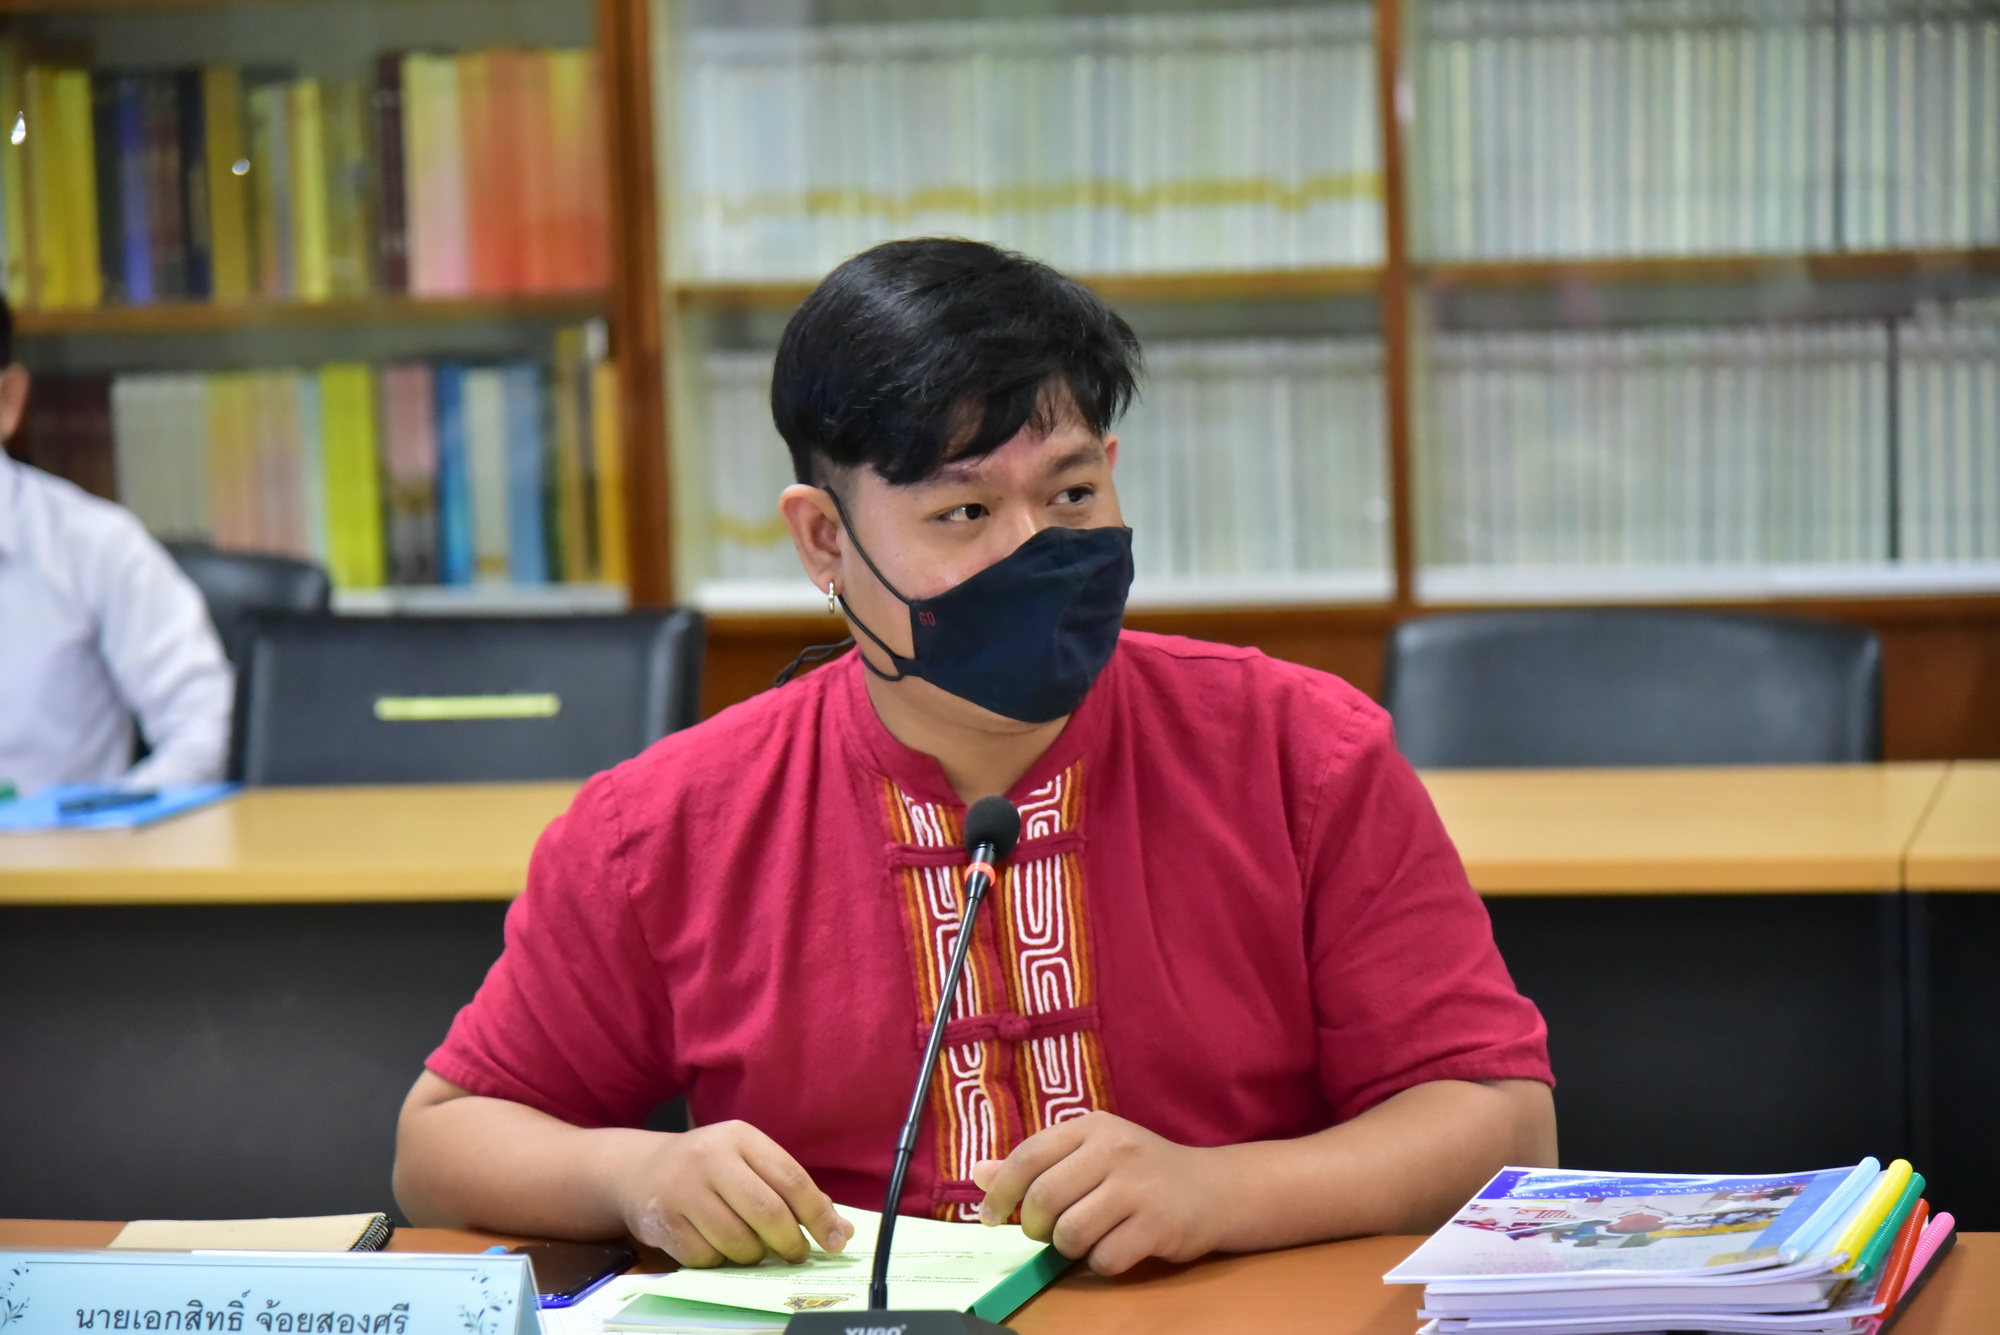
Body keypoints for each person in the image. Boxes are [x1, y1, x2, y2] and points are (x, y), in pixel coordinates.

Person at [395, 239, 1556, 1277]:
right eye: (964, 514)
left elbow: (1502, 1124)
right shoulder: (664, 825)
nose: (1034, 550)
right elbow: (440, 1145)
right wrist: (634, 1176)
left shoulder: (1299, 750)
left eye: (1071, 493)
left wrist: (1222, 1192)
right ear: (823, 540)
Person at [0, 296, 233, 798]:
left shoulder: (94, 548)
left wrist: (104, 819)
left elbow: (205, 730)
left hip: (66, 845)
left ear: (8, 402)